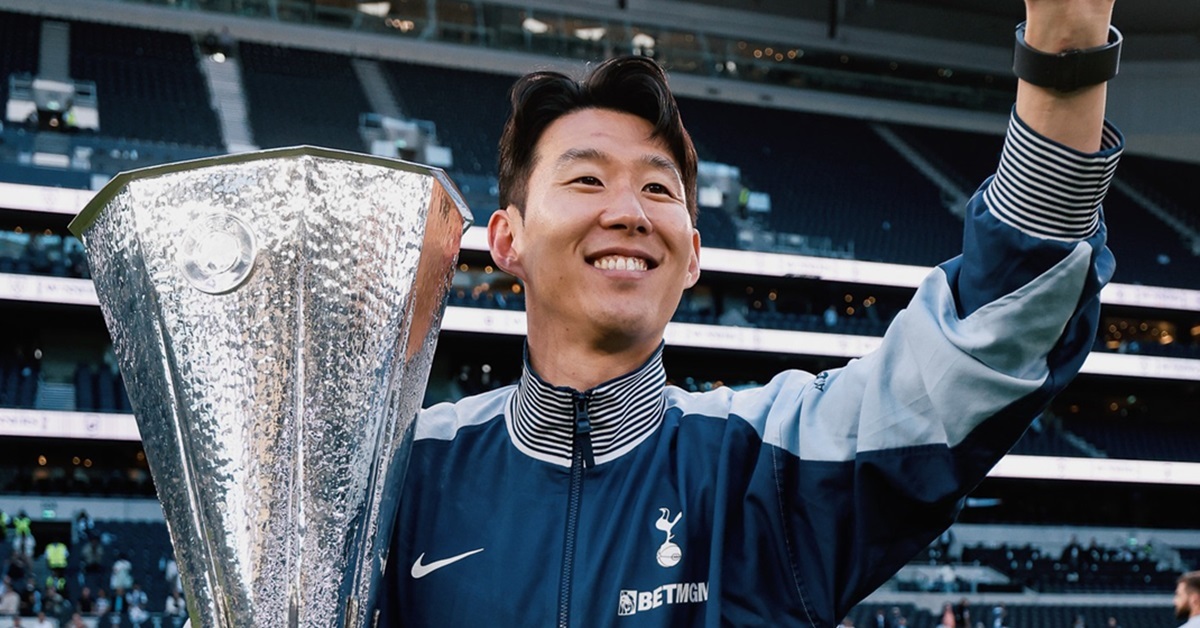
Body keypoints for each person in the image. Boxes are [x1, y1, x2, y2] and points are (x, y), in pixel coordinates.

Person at [376, 0, 1123, 624]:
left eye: (659, 189)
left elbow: (991, 332)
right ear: (506, 239)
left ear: (692, 254)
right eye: (586, 180)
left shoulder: (770, 461)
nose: (630, 212)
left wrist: (1068, 44)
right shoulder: (405, 468)